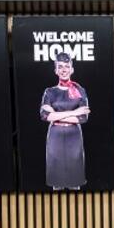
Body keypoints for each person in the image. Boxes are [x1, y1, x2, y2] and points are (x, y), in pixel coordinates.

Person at [39, 53, 90, 190]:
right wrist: (74, 112)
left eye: (67, 66)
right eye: (60, 67)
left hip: (74, 136)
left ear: (71, 69)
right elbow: (45, 116)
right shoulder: (49, 92)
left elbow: (83, 117)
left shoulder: (80, 90)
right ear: (56, 70)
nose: (63, 69)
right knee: (57, 181)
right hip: (55, 135)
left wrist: (55, 114)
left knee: (75, 180)